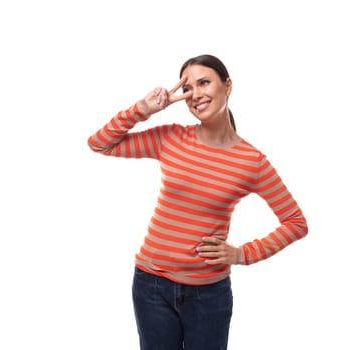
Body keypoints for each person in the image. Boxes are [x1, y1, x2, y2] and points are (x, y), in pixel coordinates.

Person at [87, 54, 308, 350]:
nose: (196, 95)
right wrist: (142, 109)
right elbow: (100, 143)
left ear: (227, 86)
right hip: (150, 287)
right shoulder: (171, 138)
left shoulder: (252, 162)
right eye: (188, 88)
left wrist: (242, 254)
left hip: (208, 295)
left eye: (204, 83)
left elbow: (296, 223)